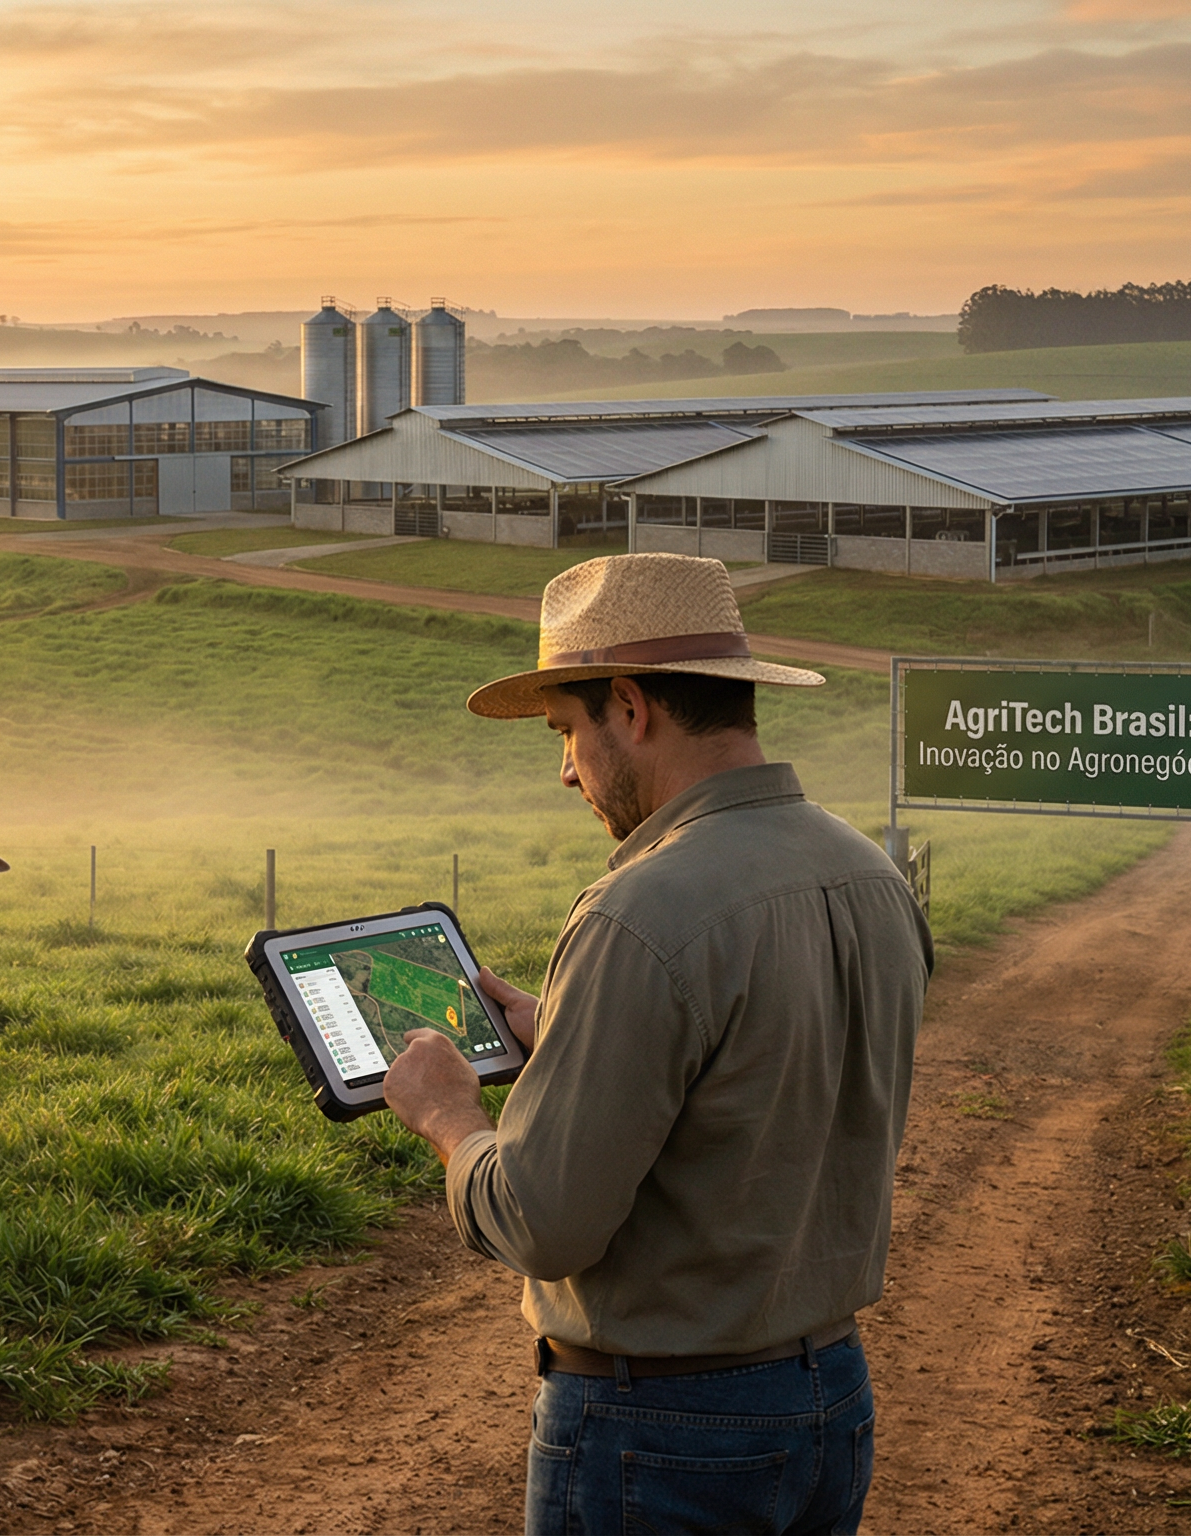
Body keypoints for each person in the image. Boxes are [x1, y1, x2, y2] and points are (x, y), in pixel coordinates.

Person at [382, 553, 931, 1536]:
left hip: (663, 1426)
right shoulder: (865, 872)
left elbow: (542, 1222)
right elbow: (768, 1072)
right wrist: (571, 1033)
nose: (564, 768)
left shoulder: (638, 909)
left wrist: (449, 1117)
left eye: (565, 731)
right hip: (831, 1399)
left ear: (629, 707)